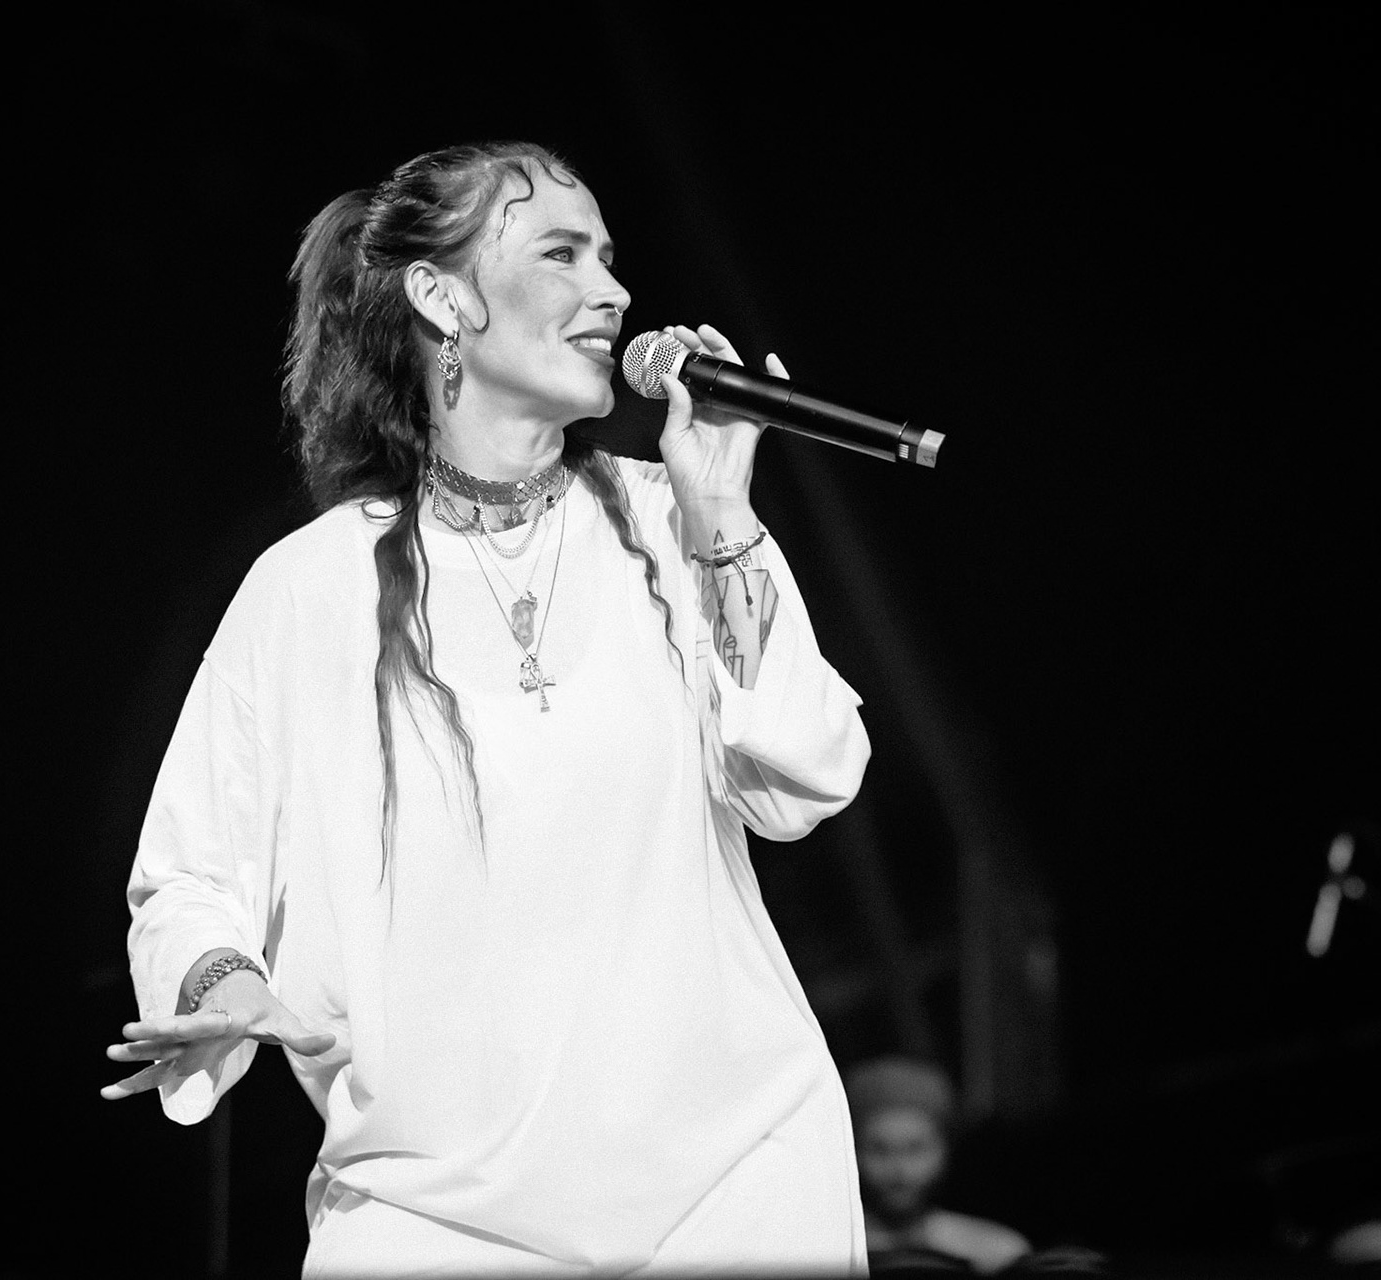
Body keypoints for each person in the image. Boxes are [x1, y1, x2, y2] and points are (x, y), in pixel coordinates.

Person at [101, 141, 873, 1277]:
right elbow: (188, 875)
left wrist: (718, 506)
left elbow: (803, 775)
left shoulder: (671, 519)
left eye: (610, 257)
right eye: (562, 251)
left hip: (738, 1186)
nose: (612, 291)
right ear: (441, 293)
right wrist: (227, 982)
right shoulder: (311, 587)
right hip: (430, 1212)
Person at [846, 1057, 1033, 1274]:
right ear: (853, 1152)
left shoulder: (999, 1252)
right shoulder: (831, 1250)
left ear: (945, 1149)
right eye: (880, 1150)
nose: (899, 1170)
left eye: (915, 1149)